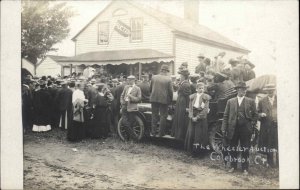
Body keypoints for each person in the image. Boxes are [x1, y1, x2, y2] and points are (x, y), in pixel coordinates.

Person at [221, 81, 258, 175]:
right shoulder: (230, 101)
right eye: (242, 89)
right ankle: (233, 166)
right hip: (233, 128)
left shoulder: (250, 101)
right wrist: (224, 128)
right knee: (233, 148)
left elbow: (255, 115)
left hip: (246, 129)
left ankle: (245, 168)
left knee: (245, 148)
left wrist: (251, 125)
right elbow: (225, 115)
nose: (244, 91)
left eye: (245, 89)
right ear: (237, 90)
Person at [184, 82, 210, 155]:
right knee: (191, 133)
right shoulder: (192, 97)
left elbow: (205, 109)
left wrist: (197, 117)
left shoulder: (206, 97)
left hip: (201, 117)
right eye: (199, 88)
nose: (201, 90)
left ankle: (198, 152)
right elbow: (190, 108)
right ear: (196, 89)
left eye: (202, 88)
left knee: (199, 134)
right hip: (193, 116)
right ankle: (190, 151)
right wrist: (192, 116)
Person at [257, 84, 278, 167]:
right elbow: (257, 113)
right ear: (266, 91)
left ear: (274, 90)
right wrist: (260, 114)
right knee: (268, 144)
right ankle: (270, 163)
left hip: (277, 126)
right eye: (268, 91)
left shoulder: (280, 99)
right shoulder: (262, 101)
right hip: (266, 126)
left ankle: (280, 163)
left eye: (272, 90)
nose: (270, 92)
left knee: (277, 144)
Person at [150, 64, 173, 137]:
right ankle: (161, 133)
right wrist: (170, 100)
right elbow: (171, 92)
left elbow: (150, 89)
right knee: (163, 116)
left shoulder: (154, 77)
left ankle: (153, 132)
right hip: (164, 100)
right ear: (166, 71)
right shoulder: (168, 79)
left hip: (153, 99)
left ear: (161, 70)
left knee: (154, 115)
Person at [171, 68, 191, 140]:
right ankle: (177, 135)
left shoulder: (186, 84)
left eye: (181, 76)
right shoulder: (183, 83)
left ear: (184, 76)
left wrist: (187, 107)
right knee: (178, 118)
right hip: (180, 101)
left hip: (182, 103)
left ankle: (180, 136)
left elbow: (187, 96)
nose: (180, 77)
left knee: (181, 118)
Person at [120, 75, 142, 140]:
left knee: (131, 123)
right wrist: (122, 102)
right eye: (128, 80)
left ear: (133, 80)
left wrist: (131, 97)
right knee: (124, 122)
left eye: (130, 80)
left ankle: (127, 137)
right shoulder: (126, 87)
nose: (128, 81)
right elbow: (122, 95)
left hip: (132, 107)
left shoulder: (138, 88)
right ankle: (134, 137)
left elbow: (139, 99)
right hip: (124, 105)